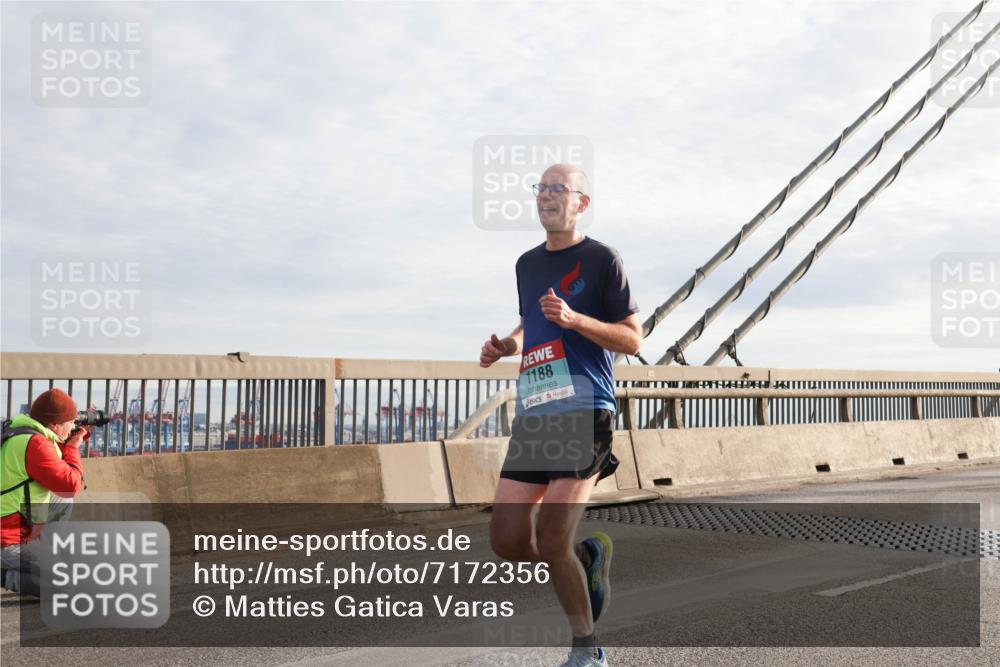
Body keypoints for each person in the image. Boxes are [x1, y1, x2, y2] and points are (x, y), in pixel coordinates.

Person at [481, 164, 641, 667]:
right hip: (536, 412)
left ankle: (587, 650)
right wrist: (508, 345)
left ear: (581, 203)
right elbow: (530, 323)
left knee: (552, 535)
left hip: (585, 410)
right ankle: (586, 558)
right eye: (541, 188)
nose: (546, 196)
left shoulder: (602, 259)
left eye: (558, 189)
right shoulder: (527, 264)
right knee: (508, 541)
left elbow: (632, 338)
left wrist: (576, 320)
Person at [1, 388, 87, 596]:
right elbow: (71, 484)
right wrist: (73, 448)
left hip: (15, 523)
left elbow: (57, 475)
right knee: (65, 585)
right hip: (7, 539)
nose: (73, 426)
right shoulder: (37, 445)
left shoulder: (20, 431)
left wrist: (71, 440)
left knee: (62, 499)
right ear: (55, 425)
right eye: (70, 422)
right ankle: (5, 576)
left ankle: (45, 553)